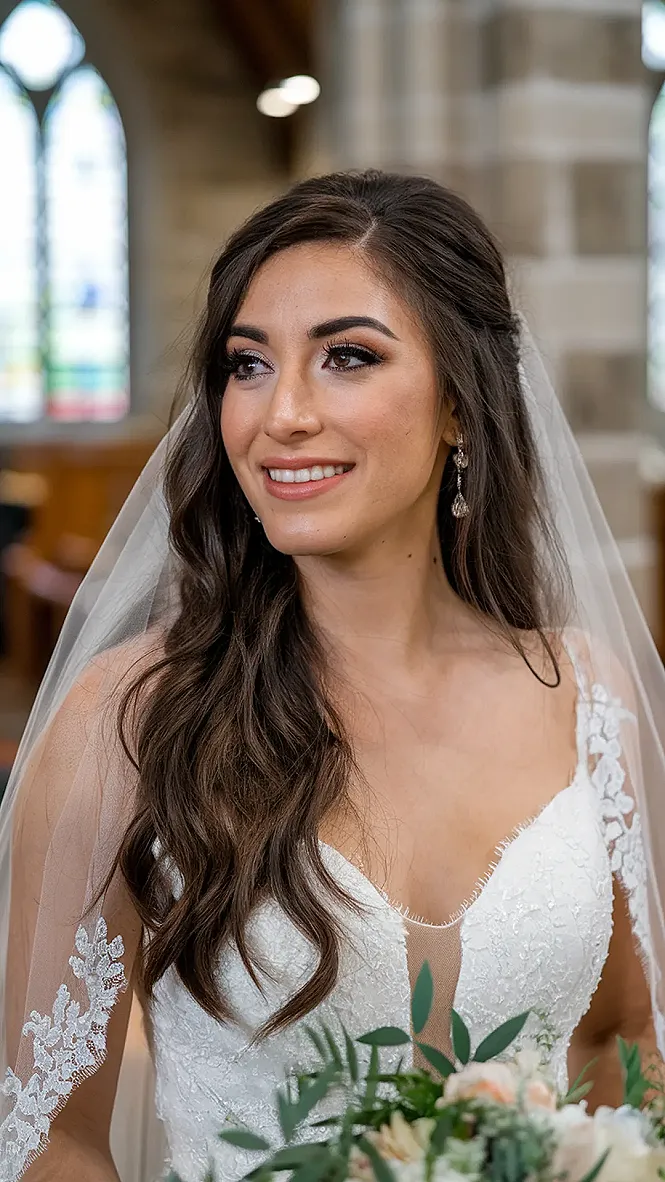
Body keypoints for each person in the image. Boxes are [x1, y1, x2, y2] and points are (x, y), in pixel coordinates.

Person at [1, 170, 665, 1182]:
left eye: (346, 357)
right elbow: (51, 1136)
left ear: (458, 403)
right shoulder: (126, 723)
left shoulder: (592, 702)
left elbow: (622, 1061)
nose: (283, 415)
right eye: (247, 365)